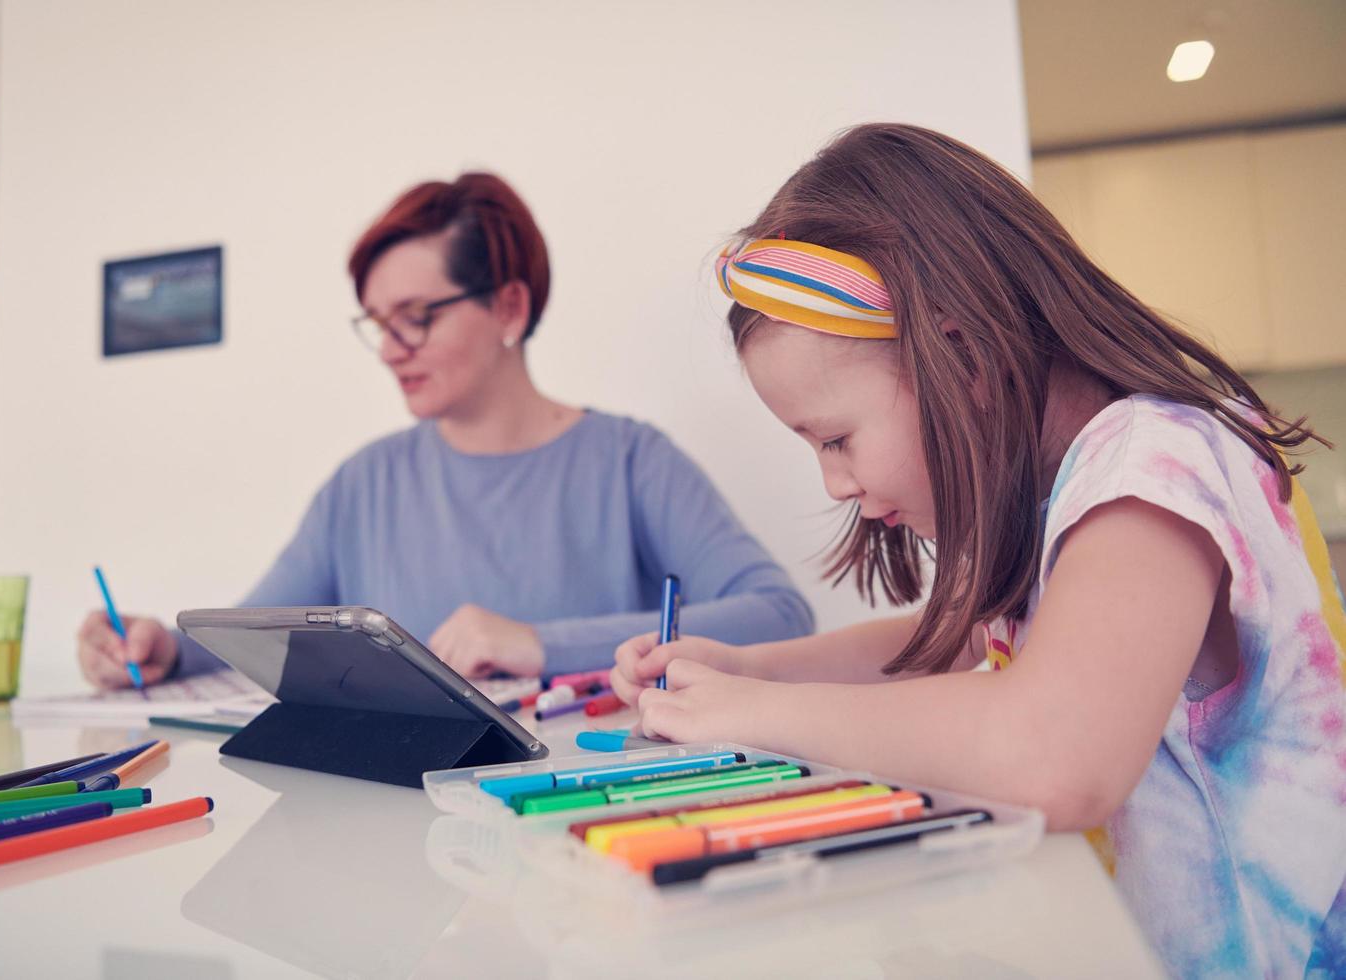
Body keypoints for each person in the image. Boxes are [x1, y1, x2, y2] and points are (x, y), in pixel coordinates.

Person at [610, 124, 1345, 977]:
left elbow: (1058, 755)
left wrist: (745, 714)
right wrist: (752, 670)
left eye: (836, 438)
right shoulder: (1044, 500)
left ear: (962, 356)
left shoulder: (1155, 468)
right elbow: (939, 645)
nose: (834, 483)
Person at [77, 172, 812, 688]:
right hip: (395, 836)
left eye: (416, 318)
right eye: (378, 324)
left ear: (510, 309)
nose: (392, 349)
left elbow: (780, 618)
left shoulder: (629, 461)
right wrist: (161, 649)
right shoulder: (363, 484)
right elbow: (259, 636)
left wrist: (538, 645)